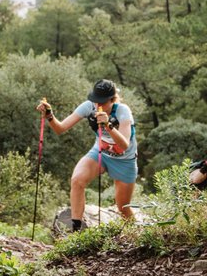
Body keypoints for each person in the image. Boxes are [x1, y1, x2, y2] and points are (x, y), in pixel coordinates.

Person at [37, 79, 137, 231]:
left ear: (112, 99)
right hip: (100, 153)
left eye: (102, 102)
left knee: (122, 207)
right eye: (96, 101)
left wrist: (108, 125)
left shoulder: (123, 111)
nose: (98, 105)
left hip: (124, 160)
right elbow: (60, 128)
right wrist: (49, 115)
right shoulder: (88, 107)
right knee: (77, 180)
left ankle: (136, 232)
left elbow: (124, 145)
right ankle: (76, 231)